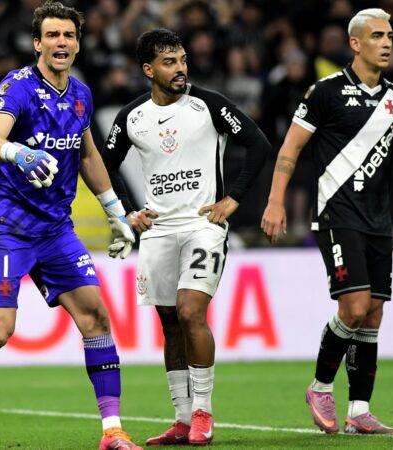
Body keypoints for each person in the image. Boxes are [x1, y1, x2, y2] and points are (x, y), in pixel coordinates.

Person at [0, 2, 140, 450]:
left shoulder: (80, 93)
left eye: (68, 36)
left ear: (78, 42)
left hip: (55, 229)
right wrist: (19, 153)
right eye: (52, 35)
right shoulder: (16, 87)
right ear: (38, 43)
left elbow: (88, 153)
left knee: (96, 317)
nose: (61, 43)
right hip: (6, 228)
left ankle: (112, 431)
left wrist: (116, 212)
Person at [261, 8, 393, 436]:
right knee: (355, 306)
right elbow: (290, 149)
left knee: (374, 313)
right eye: (377, 35)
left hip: (378, 219)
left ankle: (360, 409)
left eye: (391, 36)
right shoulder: (323, 92)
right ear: (356, 44)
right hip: (336, 214)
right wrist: (275, 201)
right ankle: (321, 386)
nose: (387, 43)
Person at [101, 28, 269, 446]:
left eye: (182, 60)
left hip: (202, 226)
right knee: (170, 323)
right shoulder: (131, 117)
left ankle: (203, 413)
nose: (180, 69)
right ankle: (179, 418)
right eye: (169, 62)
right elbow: (105, 165)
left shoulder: (208, 105)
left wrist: (233, 200)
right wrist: (125, 213)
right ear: (148, 69)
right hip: (158, 232)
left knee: (191, 311)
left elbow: (259, 145)